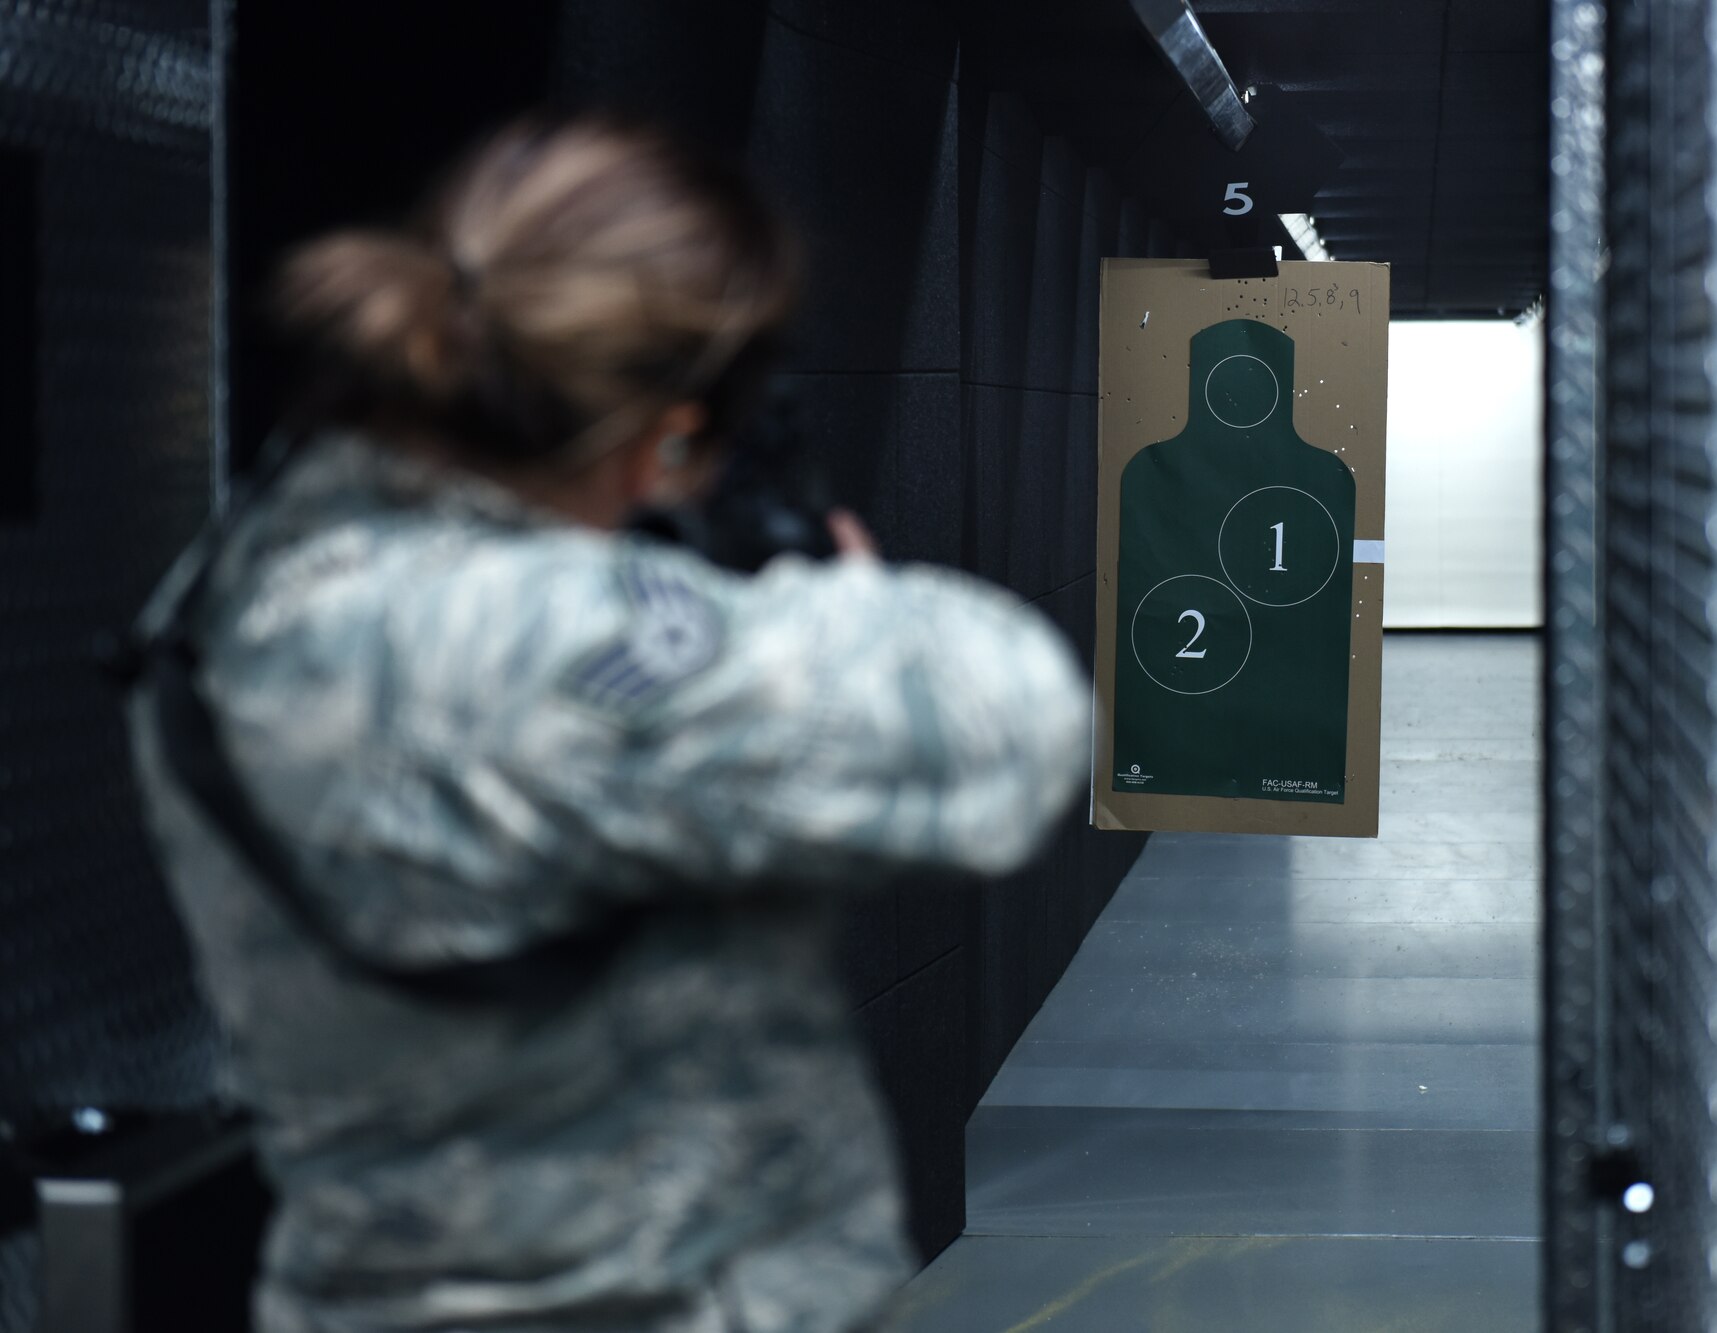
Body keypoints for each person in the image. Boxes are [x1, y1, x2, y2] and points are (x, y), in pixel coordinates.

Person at [124, 114, 1088, 1333]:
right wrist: (829, 594)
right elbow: (1010, 722)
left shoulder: (236, 590)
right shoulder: (545, 649)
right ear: (664, 429)